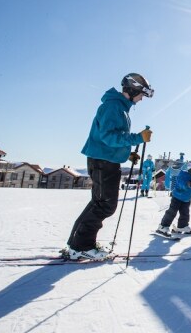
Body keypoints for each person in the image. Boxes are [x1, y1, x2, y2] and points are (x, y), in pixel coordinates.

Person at [66, 73, 154, 260]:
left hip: (105, 160)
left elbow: (111, 137)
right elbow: (109, 136)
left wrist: (126, 153)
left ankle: (77, 244)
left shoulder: (119, 108)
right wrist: (137, 138)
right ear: (132, 90)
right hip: (103, 162)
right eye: (141, 95)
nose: (141, 99)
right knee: (105, 206)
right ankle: (82, 246)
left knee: (99, 203)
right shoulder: (113, 106)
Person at [156, 162, 191, 236]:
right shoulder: (183, 175)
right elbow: (182, 184)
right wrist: (190, 183)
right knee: (172, 212)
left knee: (185, 214)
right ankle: (163, 226)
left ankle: (182, 227)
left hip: (186, 200)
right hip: (177, 198)